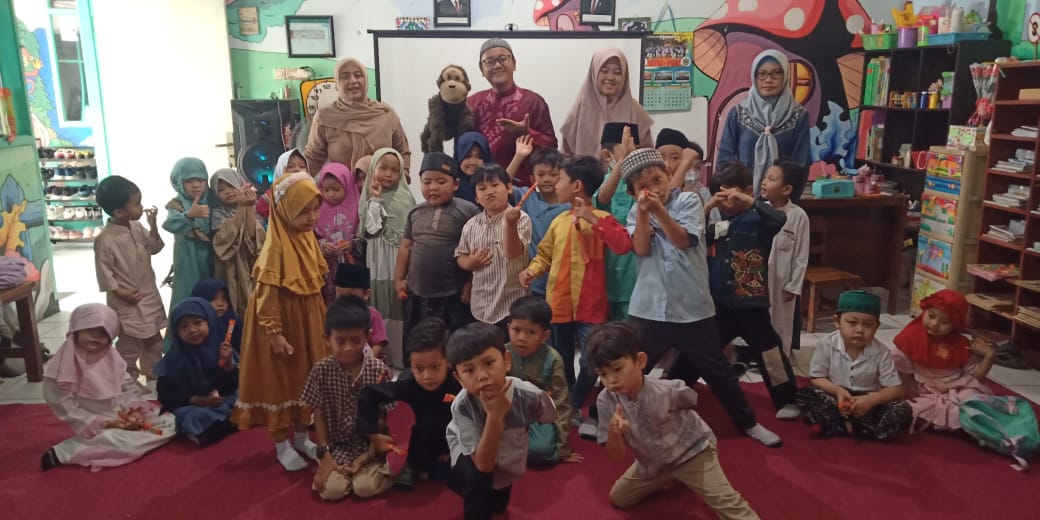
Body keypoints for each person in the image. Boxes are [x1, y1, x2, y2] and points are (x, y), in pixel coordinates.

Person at [618, 149, 781, 447]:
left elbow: (682, 240)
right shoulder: (634, 212)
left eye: (658, 179)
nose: (654, 189)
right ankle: (610, 417)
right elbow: (641, 249)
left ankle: (749, 423)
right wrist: (642, 213)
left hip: (692, 307)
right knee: (631, 366)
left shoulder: (689, 201)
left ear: (668, 175)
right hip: (648, 307)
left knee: (718, 370)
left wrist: (658, 211)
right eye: (643, 186)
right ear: (632, 192)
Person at [589, 323, 759, 518]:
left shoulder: (668, 390)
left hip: (692, 453)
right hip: (653, 463)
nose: (611, 381)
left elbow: (691, 400)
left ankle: (683, 475)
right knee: (619, 498)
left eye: (617, 369)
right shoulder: (605, 401)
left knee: (729, 504)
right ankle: (670, 478)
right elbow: (615, 455)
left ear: (640, 361)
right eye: (603, 374)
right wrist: (614, 432)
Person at [520, 156, 632, 420]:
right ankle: (566, 402)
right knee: (560, 359)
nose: (556, 185)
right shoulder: (559, 221)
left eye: (560, 179)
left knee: (591, 359)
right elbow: (544, 255)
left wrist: (591, 218)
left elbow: (623, 245)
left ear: (577, 186)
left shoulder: (602, 218)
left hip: (591, 307)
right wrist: (531, 270)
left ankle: (576, 401)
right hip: (558, 305)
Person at [231, 171, 327, 471]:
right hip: (280, 324)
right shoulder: (275, 247)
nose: (312, 217)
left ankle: (301, 436)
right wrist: (274, 333)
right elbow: (266, 295)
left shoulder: (307, 239)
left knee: (305, 376)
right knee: (280, 379)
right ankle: (281, 443)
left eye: (315, 209)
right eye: (304, 211)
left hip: (306, 320)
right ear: (285, 211)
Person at [704, 161, 800, 420]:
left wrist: (748, 201)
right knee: (705, 349)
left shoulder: (759, 219)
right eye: (720, 197)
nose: (726, 203)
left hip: (751, 303)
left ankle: (787, 399)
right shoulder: (719, 223)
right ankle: (678, 385)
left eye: (730, 196)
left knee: (769, 351)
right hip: (721, 302)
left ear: (747, 191)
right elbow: (695, 236)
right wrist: (708, 207)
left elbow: (779, 218)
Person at [40, 304, 175, 471]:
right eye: (90, 330)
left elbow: (126, 388)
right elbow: (63, 405)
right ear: (76, 330)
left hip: (123, 416)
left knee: (170, 423)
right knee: (118, 441)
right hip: (95, 424)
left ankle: (104, 444)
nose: (97, 337)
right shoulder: (62, 366)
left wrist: (134, 411)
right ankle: (67, 451)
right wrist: (106, 423)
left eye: (104, 333)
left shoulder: (112, 358)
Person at [445, 323, 557, 520]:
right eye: (469, 370)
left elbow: (549, 415)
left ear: (506, 361)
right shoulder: (462, 406)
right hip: (471, 451)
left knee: (498, 504)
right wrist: (495, 416)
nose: (482, 376)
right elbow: (483, 465)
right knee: (478, 483)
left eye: (489, 363)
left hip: (506, 454)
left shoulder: (528, 394)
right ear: (459, 378)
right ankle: (451, 473)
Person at [301, 295, 392, 501]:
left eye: (356, 340)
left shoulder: (378, 370)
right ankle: (343, 472)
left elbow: (381, 419)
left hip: (368, 445)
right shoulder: (321, 370)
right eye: (340, 341)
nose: (348, 348)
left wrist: (367, 456)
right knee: (331, 491)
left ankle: (375, 469)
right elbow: (319, 413)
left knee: (364, 488)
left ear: (367, 336)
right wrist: (325, 454)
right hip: (337, 446)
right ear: (327, 338)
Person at [357, 317, 462, 491]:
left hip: (457, 437)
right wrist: (373, 434)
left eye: (435, 367)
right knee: (424, 431)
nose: (427, 376)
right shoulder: (409, 384)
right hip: (422, 441)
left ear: (448, 361)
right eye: (419, 368)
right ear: (411, 365)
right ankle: (414, 466)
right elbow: (368, 393)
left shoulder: (459, 382)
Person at [795, 290, 911, 440]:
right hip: (836, 396)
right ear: (837, 322)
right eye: (852, 323)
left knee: (903, 408)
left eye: (868, 325)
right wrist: (838, 391)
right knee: (805, 393)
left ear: (877, 326)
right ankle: (856, 428)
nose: (859, 330)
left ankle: (843, 426)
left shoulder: (881, 351)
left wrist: (871, 400)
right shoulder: (826, 344)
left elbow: (896, 390)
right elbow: (817, 378)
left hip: (867, 401)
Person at [93, 176, 166, 382]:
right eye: (136, 204)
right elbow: (103, 272)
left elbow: (156, 248)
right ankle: (127, 381)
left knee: (154, 340)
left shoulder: (136, 227)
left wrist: (153, 225)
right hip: (126, 301)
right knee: (129, 345)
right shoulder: (106, 239)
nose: (141, 207)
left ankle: (154, 377)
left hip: (148, 294)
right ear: (118, 212)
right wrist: (120, 292)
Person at [396, 152, 479, 333]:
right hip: (417, 292)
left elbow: (477, 251)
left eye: (441, 182)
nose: (433, 187)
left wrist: (470, 283)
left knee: (452, 342)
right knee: (418, 340)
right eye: (427, 182)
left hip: (453, 294)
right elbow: (405, 247)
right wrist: (399, 279)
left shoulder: (468, 211)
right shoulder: (414, 213)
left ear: (456, 184)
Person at [892, 289, 997, 432]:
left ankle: (951, 421)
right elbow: (901, 383)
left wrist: (989, 357)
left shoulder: (961, 344)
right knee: (916, 407)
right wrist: (899, 400)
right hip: (923, 393)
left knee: (973, 398)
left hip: (955, 389)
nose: (934, 324)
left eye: (945, 322)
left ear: (955, 325)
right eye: (931, 316)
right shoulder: (909, 339)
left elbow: (975, 378)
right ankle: (953, 422)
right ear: (925, 311)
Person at [716, 50, 811, 196]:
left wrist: (786, 201)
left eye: (776, 73)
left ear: (786, 76)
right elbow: (724, 162)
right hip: (742, 199)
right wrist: (735, 198)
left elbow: (800, 164)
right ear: (754, 77)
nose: (768, 79)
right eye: (762, 74)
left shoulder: (798, 115)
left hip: (781, 200)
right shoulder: (738, 113)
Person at [469, 39, 557, 187]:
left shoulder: (533, 101)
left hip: (524, 189)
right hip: (483, 188)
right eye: (490, 61)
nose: (497, 65)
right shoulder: (472, 103)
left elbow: (552, 148)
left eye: (503, 59)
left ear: (514, 63)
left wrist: (527, 133)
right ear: (481, 69)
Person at [305, 58, 411, 179]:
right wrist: (298, 181)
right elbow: (313, 157)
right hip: (344, 189)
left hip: (383, 189)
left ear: (366, 80)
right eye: (345, 77)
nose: (353, 81)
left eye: (358, 75)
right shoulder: (325, 117)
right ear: (337, 83)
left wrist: (402, 178)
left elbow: (403, 152)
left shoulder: (385, 114)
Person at [505, 296, 580, 466]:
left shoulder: (552, 359)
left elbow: (561, 403)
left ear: (545, 335)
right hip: (506, 412)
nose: (521, 338)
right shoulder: (502, 353)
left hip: (537, 414)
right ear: (508, 328)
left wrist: (563, 447)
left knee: (542, 452)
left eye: (531, 332)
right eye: (516, 330)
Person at [456, 164, 532, 330]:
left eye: (495, 185)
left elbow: (512, 253)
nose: (489, 192)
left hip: (512, 307)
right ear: (476, 198)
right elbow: (460, 255)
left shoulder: (521, 218)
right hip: (480, 306)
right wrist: (470, 263)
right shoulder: (471, 225)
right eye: (482, 188)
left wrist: (510, 224)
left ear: (509, 188)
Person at [155, 297, 238, 446]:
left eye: (198, 322)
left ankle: (220, 426)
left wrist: (227, 366)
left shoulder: (221, 347)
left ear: (210, 321)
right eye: (184, 327)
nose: (192, 330)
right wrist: (198, 400)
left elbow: (231, 387)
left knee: (244, 396)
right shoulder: (174, 357)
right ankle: (219, 426)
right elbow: (165, 395)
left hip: (219, 401)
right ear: (176, 331)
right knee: (192, 416)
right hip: (193, 404)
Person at [360, 147, 415, 361]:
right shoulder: (368, 197)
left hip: (398, 258)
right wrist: (375, 199)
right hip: (377, 257)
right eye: (383, 168)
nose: (388, 174)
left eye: (394, 169)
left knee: (397, 302)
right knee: (379, 300)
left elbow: (410, 236)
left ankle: (399, 356)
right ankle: (381, 357)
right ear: (373, 169)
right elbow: (371, 228)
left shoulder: (406, 199)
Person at [561, 48, 653, 157]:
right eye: (604, 71)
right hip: (583, 168)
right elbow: (565, 157)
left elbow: (648, 156)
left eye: (617, 72)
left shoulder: (635, 110)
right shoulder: (580, 109)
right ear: (594, 72)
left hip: (627, 168)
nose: (610, 77)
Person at [506, 144, 569, 300]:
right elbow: (503, 184)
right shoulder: (526, 197)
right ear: (532, 178)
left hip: (565, 280)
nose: (547, 179)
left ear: (562, 176)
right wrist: (519, 156)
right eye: (541, 175)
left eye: (553, 174)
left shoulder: (570, 204)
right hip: (534, 280)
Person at [761, 160, 809, 355]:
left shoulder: (798, 216)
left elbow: (801, 256)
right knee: (760, 321)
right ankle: (759, 358)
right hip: (760, 280)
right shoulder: (758, 210)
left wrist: (794, 286)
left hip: (783, 284)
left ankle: (781, 358)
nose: (764, 182)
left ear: (787, 189)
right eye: (765, 177)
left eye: (771, 179)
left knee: (781, 323)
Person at [594, 123, 640, 320]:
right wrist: (623, 161)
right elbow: (603, 199)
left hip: (640, 278)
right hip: (612, 278)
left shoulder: (644, 182)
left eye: (636, 150)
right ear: (607, 156)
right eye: (627, 150)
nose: (633, 154)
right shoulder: (603, 183)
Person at [209, 167, 264, 312]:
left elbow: (254, 239)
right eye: (221, 189)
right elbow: (224, 241)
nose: (227, 191)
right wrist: (241, 207)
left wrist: (248, 207)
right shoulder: (218, 213)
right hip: (230, 269)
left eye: (231, 186)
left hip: (251, 266)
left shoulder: (252, 208)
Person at [163, 157, 215, 313]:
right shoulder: (177, 204)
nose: (196, 185)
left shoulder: (213, 200)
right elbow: (170, 223)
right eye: (189, 181)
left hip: (214, 258)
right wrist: (189, 215)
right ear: (179, 183)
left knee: (215, 297)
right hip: (188, 259)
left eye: (201, 180)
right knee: (188, 297)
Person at [315, 162, 361, 304]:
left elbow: (365, 236)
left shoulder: (358, 207)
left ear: (347, 185)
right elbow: (311, 237)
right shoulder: (317, 208)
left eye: (336, 189)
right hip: (327, 267)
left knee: (350, 302)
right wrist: (322, 245)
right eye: (326, 190)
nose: (331, 194)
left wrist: (353, 244)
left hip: (352, 264)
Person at [335, 263, 389, 362]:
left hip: (370, 362)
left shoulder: (373, 315)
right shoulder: (335, 315)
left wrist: (368, 361)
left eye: (352, 296)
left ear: (366, 294)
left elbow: (379, 343)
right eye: (341, 296)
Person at [191, 278, 243, 354]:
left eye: (224, 298)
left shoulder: (233, 325)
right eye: (214, 299)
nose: (220, 304)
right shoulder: (193, 326)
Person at [256, 148, 310, 222]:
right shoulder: (272, 195)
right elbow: (259, 217)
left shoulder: (310, 192)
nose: (297, 169)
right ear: (280, 169)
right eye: (290, 166)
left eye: (302, 166)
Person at [453, 131, 493, 205]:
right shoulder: (450, 186)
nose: (473, 162)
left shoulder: (495, 183)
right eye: (467, 156)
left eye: (479, 157)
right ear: (458, 157)